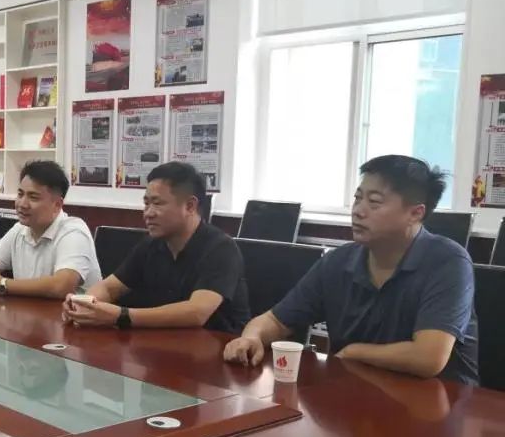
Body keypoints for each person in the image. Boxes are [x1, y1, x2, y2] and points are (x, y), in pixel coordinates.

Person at [223, 155, 479, 385]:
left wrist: (355, 352)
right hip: (355, 393)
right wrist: (252, 337)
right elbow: (276, 320)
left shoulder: (448, 262)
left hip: (438, 404)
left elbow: (428, 358)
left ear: (415, 213)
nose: (358, 211)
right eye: (357, 198)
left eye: (374, 202)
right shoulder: (339, 261)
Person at [64, 161, 250, 333]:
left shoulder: (221, 248)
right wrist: (85, 304)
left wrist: (121, 316)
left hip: (218, 347)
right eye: (146, 203)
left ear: (190, 206)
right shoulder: (151, 245)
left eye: (158, 203)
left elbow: (197, 312)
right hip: (164, 342)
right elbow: (109, 288)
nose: (148, 213)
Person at [0, 160, 100, 298]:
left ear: (57, 204)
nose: (22, 204)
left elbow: (61, 286)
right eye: (20, 194)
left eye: (33, 197)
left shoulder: (74, 231)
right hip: (26, 309)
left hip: (69, 311)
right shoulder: (19, 230)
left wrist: (2, 284)